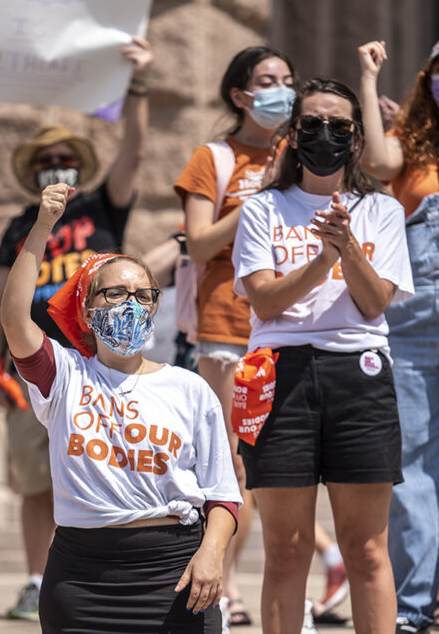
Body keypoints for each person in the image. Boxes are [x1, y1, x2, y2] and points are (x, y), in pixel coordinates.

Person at [0, 181, 242, 633]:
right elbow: (14, 319)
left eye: (142, 295)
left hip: (176, 573)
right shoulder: (65, 375)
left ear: (154, 308)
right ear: (88, 310)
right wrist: (43, 227)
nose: (129, 304)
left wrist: (211, 554)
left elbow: (223, 494)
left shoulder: (189, 389)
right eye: (113, 294)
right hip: (82, 577)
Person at [232, 77, 413, 634]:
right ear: (292, 134)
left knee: (366, 550)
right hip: (278, 375)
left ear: (356, 139)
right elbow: (264, 298)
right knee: (286, 550)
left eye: (338, 126)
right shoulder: (264, 207)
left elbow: (374, 301)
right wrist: (321, 258)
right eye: (312, 124)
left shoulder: (381, 209)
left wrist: (349, 248)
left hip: (358, 375)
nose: (324, 135)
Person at [0, 35, 152, 620]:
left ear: (82, 168)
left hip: (104, 362)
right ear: (31, 174)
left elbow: (134, 152)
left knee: (110, 464)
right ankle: (37, 580)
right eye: (45, 161)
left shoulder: (102, 207)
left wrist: (137, 84)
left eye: (66, 158)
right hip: (36, 365)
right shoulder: (18, 225)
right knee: (36, 480)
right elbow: (0, 295)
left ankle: (112, 572)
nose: (57, 166)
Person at [175, 45, 296, 625]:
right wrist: (259, 194)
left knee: (280, 466)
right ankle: (225, 584)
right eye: (267, 80)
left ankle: (256, 581)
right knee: (233, 465)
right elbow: (197, 243)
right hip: (227, 327)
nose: (281, 89)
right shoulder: (214, 158)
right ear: (240, 95)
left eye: (287, 79)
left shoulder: (304, 149)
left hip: (291, 329)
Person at [358, 38, 439, 634]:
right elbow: (377, 165)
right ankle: (412, 609)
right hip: (411, 335)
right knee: (409, 469)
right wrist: (366, 79)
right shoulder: (409, 146)